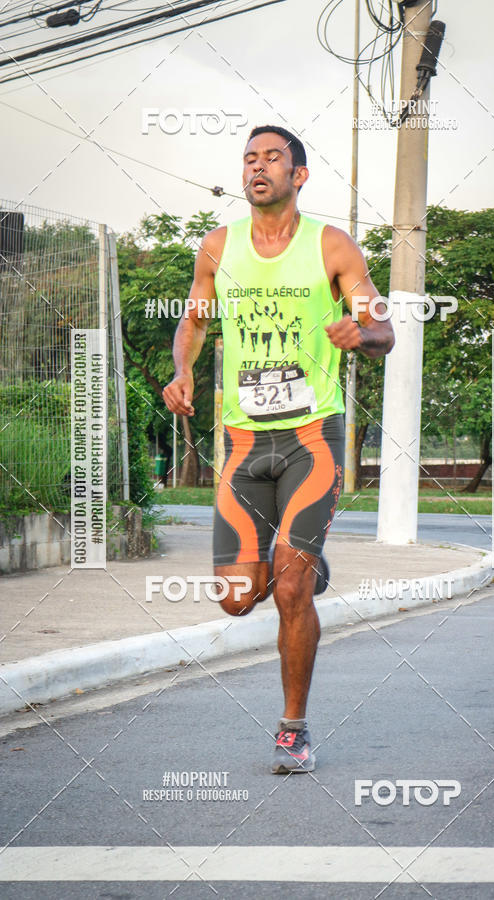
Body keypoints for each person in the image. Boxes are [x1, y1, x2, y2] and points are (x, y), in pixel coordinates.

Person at [163, 125, 394, 774]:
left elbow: (383, 325)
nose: (258, 167)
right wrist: (184, 370)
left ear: (300, 175)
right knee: (237, 596)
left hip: (310, 437)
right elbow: (194, 320)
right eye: (249, 159)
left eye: (273, 158)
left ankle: (293, 728)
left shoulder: (332, 246)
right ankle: (307, 566)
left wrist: (363, 332)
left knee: (289, 587)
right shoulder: (219, 247)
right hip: (240, 441)